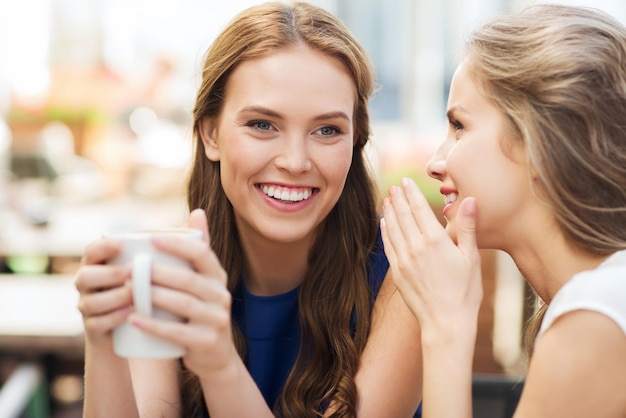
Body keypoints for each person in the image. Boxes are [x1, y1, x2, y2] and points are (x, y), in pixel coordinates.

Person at [75, 2, 423, 417]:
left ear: (355, 142)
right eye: (262, 124)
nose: (295, 161)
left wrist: (219, 364)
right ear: (211, 134)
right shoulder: (167, 270)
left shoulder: (406, 275)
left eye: (327, 130)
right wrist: (104, 341)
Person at [380, 4, 626, 417]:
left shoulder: (597, 317)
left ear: (541, 144)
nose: (434, 162)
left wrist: (445, 327)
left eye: (459, 126)